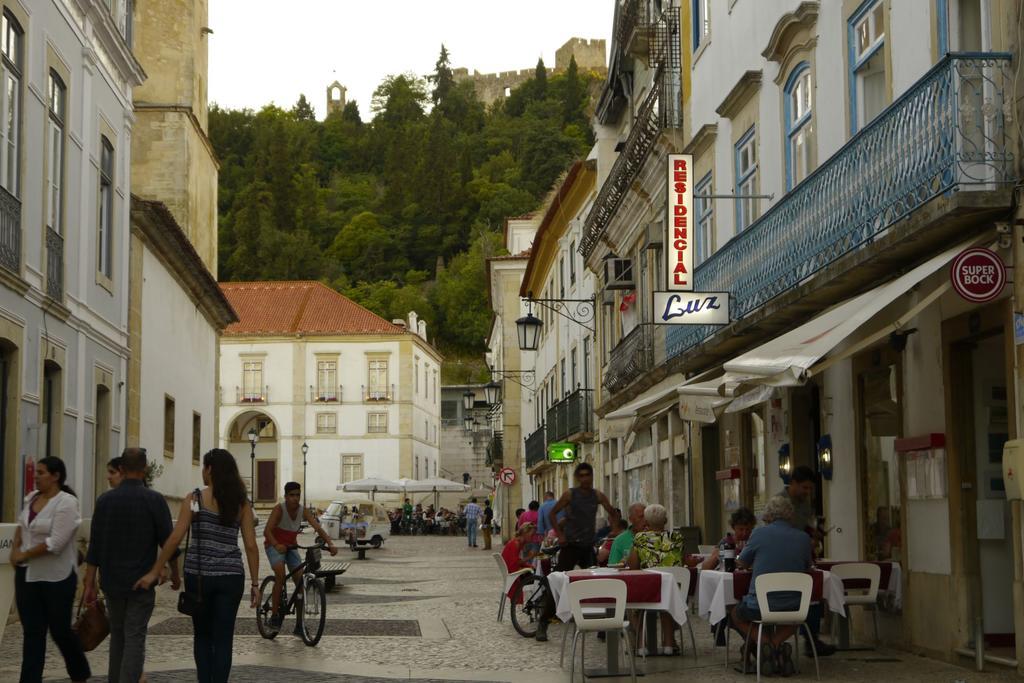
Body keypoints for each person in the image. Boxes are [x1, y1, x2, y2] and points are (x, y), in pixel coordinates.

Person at [135, 449, 260, 683]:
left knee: (202, 636)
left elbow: (176, 537)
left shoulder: (194, 499)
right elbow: (251, 546)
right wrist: (254, 583)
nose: (202, 472)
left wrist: (156, 569)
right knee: (223, 640)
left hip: (199, 577)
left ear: (210, 469)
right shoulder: (241, 503)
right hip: (231, 576)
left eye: (204, 467)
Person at [84, 447, 178, 683]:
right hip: (142, 581)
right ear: (145, 468)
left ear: (123, 469)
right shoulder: (154, 500)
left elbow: (94, 547)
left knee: (118, 635)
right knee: (135, 635)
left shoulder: (104, 501)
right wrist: (176, 573)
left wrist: (89, 584)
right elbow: (168, 540)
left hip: (112, 581)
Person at [12, 456, 90, 683]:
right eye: (36, 472)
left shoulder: (67, 503)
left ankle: (79, 672)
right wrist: (15, 549)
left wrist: (24, 553)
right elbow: (22, 526)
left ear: (56, 476)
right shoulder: (31, 498)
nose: (36, 476)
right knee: (32, 633)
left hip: (57, 577)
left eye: (41, 472)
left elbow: (56, 543)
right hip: (28, 575)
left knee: (60, 631)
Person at [535, 462, 619, 642]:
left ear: (591, 476)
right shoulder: (569, 494)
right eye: (581, 475)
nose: (585, 478)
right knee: (556, 583)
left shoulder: (597, 495)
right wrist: (560, 535)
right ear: (577, 478)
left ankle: (602, 625)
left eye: (587, 475)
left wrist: (615, 529)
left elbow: (612, 511)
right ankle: (543, 623)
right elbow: (553, 515)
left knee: (598, 585)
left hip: (588, 547)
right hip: (570, 547)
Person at [729, 495, 812, 676]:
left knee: (736, 614)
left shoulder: (759, 534)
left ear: (768, 515)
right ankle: (778, 647)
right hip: (795, 605)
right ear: (790, 515)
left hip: (760, 605)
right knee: (798, 617)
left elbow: (741, 563)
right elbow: (807, 568)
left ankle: (767, 645)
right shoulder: (804, 538)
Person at [778, 465, 835, 657]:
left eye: (810, 488)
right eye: (804, 487)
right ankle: (780, 640)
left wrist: (815, 533)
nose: (807, 492)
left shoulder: (804, 503)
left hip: (802, 557)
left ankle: (812, 638)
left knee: (814, 592)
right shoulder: (779, 502)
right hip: (784, 558)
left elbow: (806, 526)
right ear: (793, 483)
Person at [263, 482, 338, 628]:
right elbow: (267, 531)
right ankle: (274, 616)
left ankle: (299, 625)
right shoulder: (279, 509)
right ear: (285, 496)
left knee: (300, 583)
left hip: (291, 547)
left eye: (297, 495)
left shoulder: (303, 511)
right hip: (274, 546)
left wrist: (330, 543)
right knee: (280, 575)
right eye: (292, 495)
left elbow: (318, 527)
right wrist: (277, 545)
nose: (295, 498)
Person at [626, 504, 686, 655]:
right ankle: (668, 644)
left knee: (635, 605)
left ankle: (640, 645)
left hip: (648, 593)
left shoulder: (640, 538)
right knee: (665, 598)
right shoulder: (677, 538)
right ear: (665, 520)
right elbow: (682, 561)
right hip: (672, 593)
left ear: (646, 521)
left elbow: (633, 566)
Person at [608, 502, 647, 566]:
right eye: (641, 517)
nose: (645, 520)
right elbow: (613, 568)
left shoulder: (653, 537)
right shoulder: (619, 541)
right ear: (631, 519)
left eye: (646, 516)